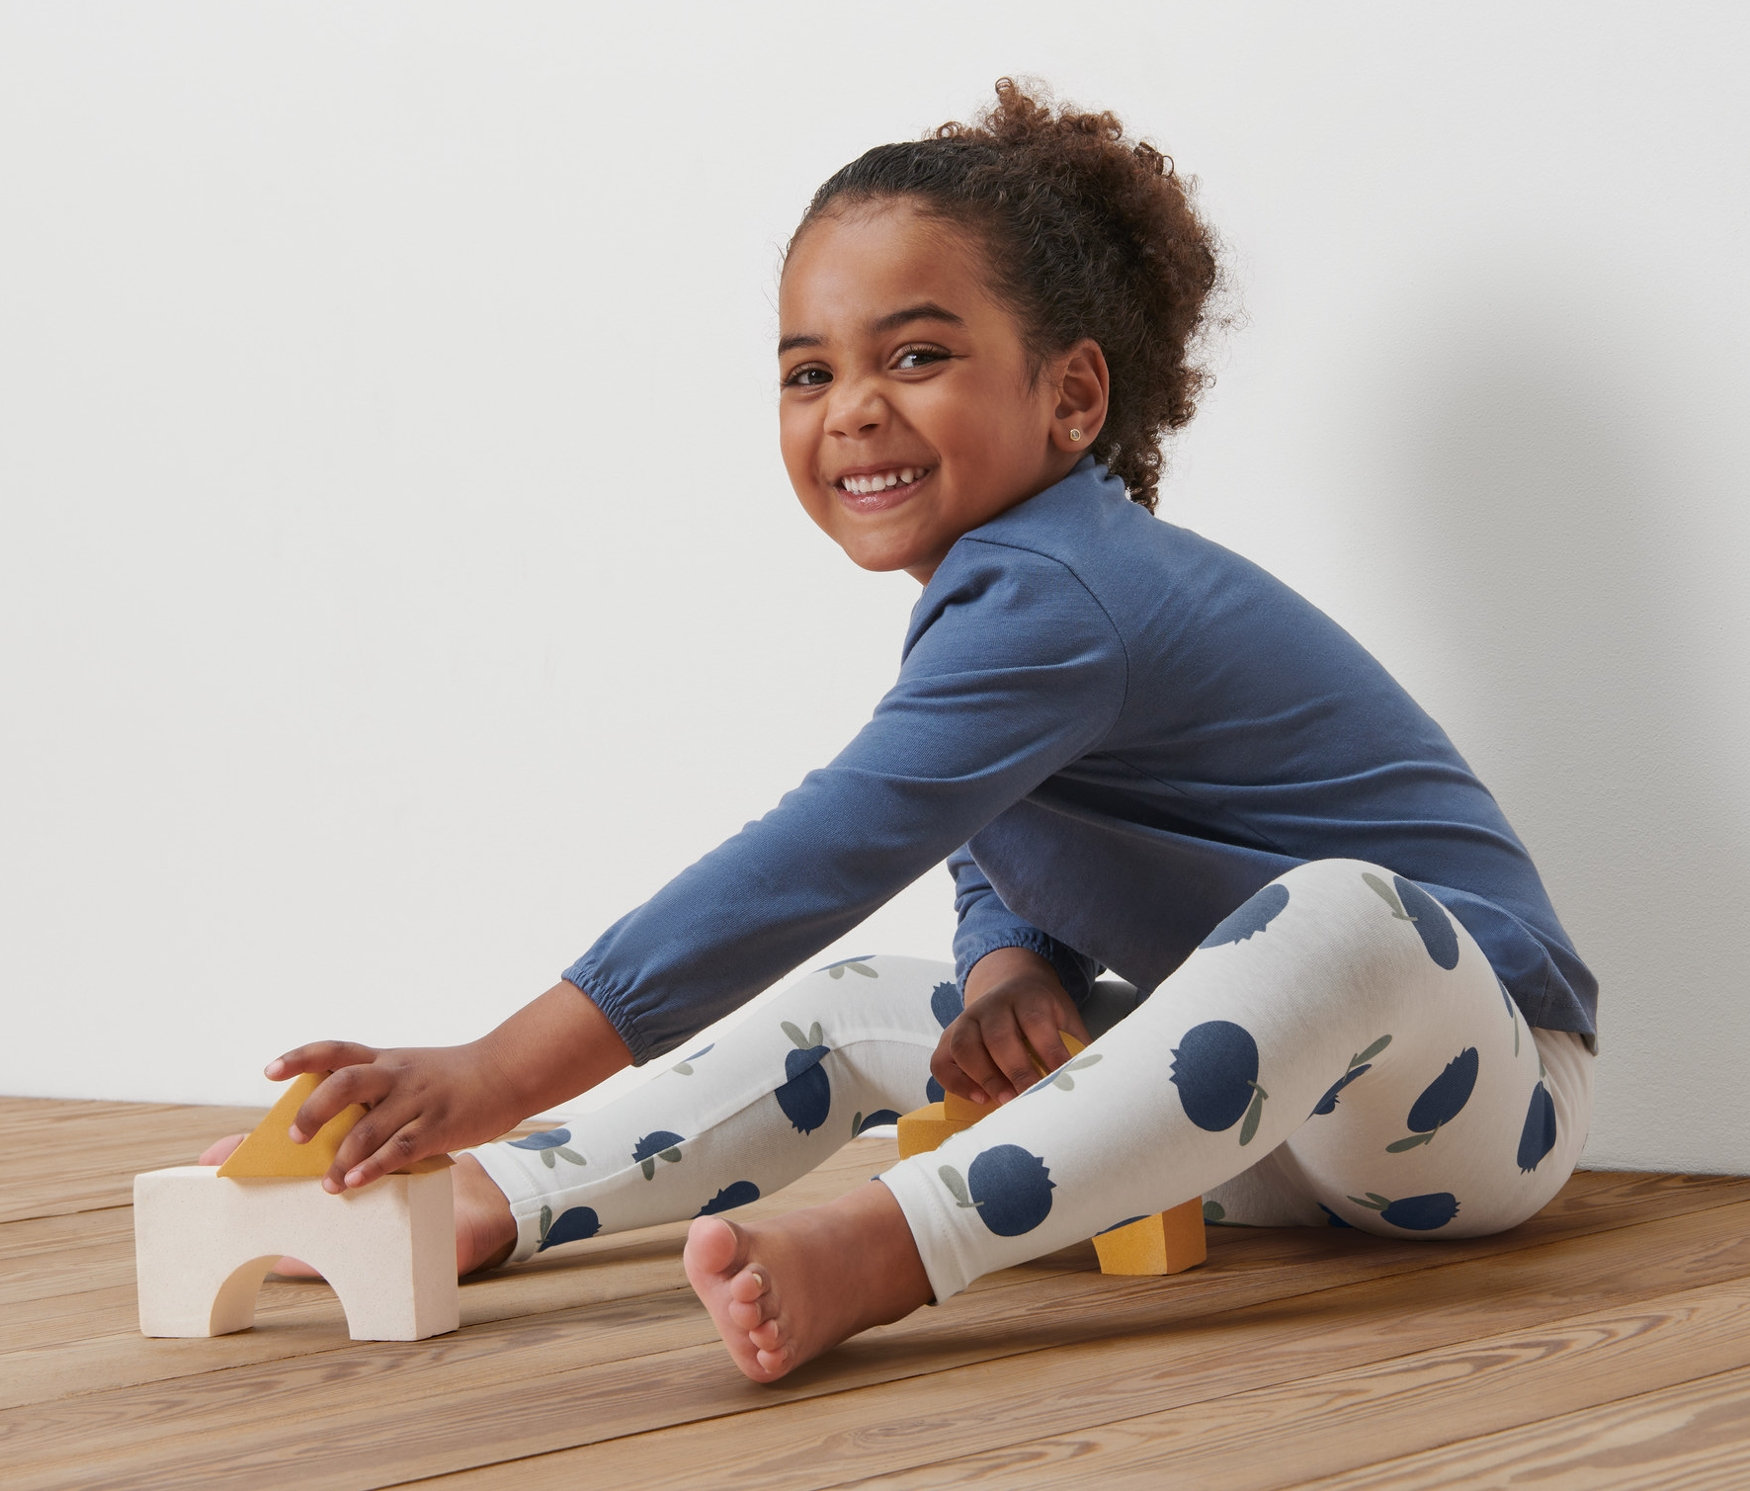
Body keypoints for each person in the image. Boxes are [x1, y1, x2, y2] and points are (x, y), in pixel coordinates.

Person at [206, 80, 1597, 1384]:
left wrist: (495, 1068)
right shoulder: (1007, 595)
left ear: (1070, 396)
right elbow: (995, 825)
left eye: (916, 355)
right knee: (876, 995)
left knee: (1345, 913)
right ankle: (496, 1196)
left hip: (1468, 1102)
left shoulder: (1063, 590)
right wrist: (1000, 970)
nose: (852, 408)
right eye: (806, 374)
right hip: (1227, 1125)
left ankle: (890, 1244)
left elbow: (830, 846)